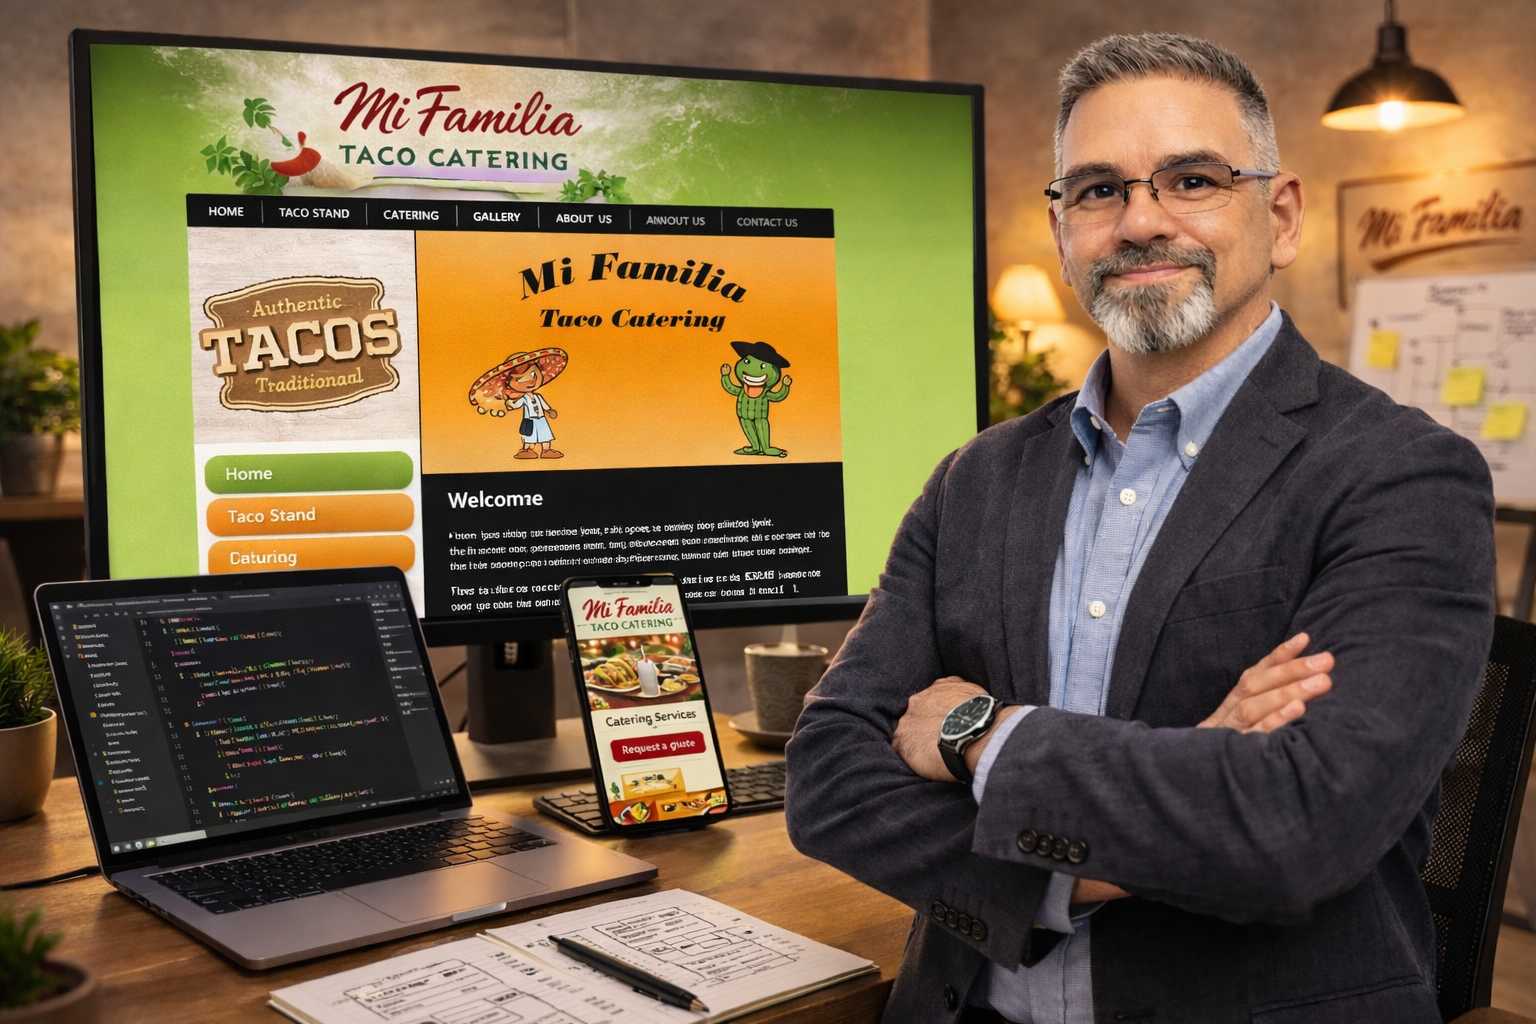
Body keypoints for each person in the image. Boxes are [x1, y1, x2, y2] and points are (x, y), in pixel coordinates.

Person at [784, 32, 1495, 1024]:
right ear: (1063, 226)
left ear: (1280, 216)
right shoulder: (972, 479)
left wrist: (981, 737)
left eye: (1193, 178)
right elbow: (827, 780)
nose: (1141, 221)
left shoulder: (1401, 476)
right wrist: (1105, 844)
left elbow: (1295, 827)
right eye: (1099, 189)